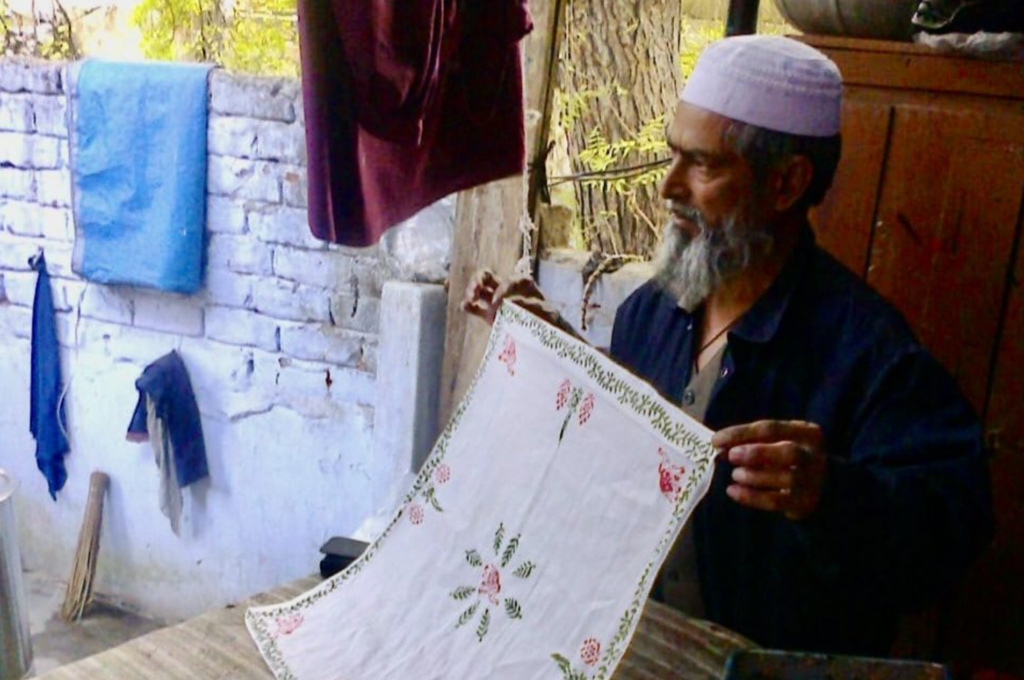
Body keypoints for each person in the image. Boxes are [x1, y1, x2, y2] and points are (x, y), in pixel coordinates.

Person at [463, 35, 993, 656]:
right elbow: (632, 444)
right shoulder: (652, 312)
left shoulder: (870, 354)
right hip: (636, 651)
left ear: (786, 183)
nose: (668, 187)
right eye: (671, 156)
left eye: (704, 164)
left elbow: (949, 534)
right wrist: (561, 354)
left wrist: (833, 495)